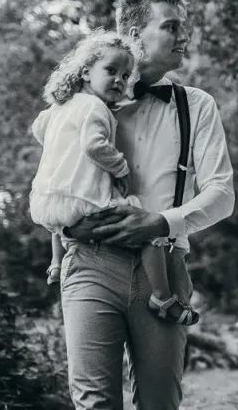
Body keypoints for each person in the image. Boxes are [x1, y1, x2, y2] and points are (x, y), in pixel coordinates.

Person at [50, 0, 234, 410]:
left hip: (163, 267)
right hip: (92, 266)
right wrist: (66, 230)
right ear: (133, 33)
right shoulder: (83, 103)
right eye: (172, 28)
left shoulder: (196, 106)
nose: (185, 38)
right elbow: (53, 181)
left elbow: (223, 194)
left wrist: (160, 223)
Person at [31, 30, 197, 327]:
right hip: (84, 198)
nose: (119, 80)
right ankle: (161, 295)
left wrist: (61, 151)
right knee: (145, 221)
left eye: (125, 75)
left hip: (49, 199)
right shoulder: (94, 107)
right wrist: (120, 168)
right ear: (85, 71)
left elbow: (38, 129)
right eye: (111, 71)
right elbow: (95, 146)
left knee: (61, 222)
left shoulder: (58, 108)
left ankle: (56, 262)